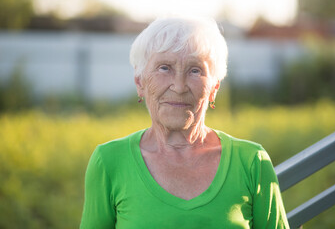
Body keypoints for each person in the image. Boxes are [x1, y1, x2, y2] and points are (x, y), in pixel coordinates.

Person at [80, 16, 289, 229]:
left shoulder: (252, 162)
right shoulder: (109, 162)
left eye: (195, 70)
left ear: (214, 88)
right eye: (164, 68)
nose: (179, 86)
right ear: (140, 83)